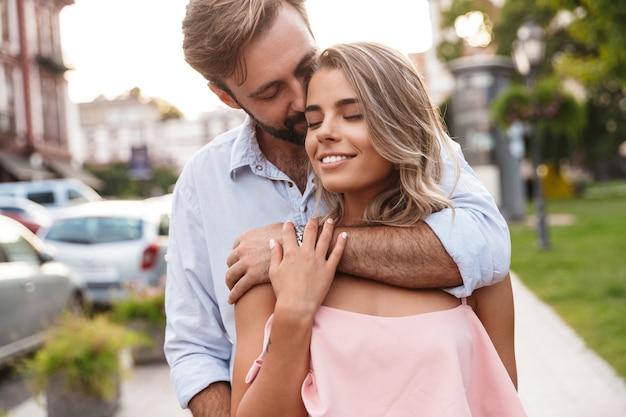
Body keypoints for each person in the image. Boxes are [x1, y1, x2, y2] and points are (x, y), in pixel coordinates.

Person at [165, 1, 511, 415]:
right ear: (227, 96)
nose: (301, 100)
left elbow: (486, 249)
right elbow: (195, 353)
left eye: (304, 67)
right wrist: (293, 307)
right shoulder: (203, 187)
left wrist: (301, 244)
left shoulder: (421, 149)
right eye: (271, 92)